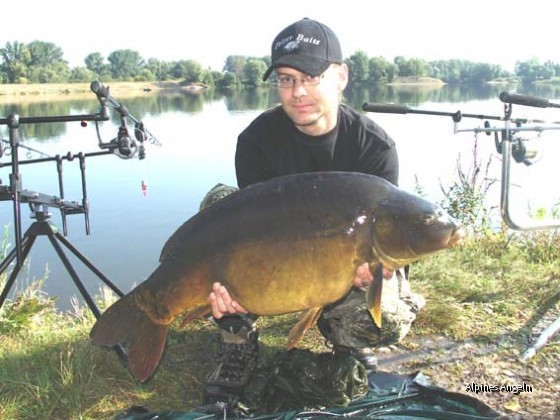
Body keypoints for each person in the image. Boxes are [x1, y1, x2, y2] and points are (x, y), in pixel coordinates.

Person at [201, 18, 424, 407]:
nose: (298, 92)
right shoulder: (256, 141)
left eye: (311, 77)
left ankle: (347, 340)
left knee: (386, 312)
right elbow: (251, 231)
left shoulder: (375, 148)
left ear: (340, 76)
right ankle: (237, 337)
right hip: (280, 256)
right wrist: (233, 286)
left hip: (340, 260)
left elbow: (388, 232)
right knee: (219, 205)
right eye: (286, 79)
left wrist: (376, 270)